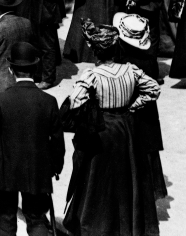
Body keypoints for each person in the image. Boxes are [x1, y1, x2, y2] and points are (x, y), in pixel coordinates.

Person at [62, 20, 161, 236]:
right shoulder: (130, 70)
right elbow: (153, 89)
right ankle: (128, 224)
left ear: (96, 52)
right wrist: (133, 106)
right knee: (128, 175)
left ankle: (99, 224)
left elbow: (75, 101)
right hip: (127, 128)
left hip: (104, 130)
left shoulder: (92, 76)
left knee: (99, 179)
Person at [0, 42, 65, 236]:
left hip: (4, 170)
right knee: (36, 220)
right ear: (35, 69)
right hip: (36, 169)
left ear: (11, 70)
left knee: (5, 221)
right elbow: (58, 143)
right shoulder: (49, 102)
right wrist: (53, 168)